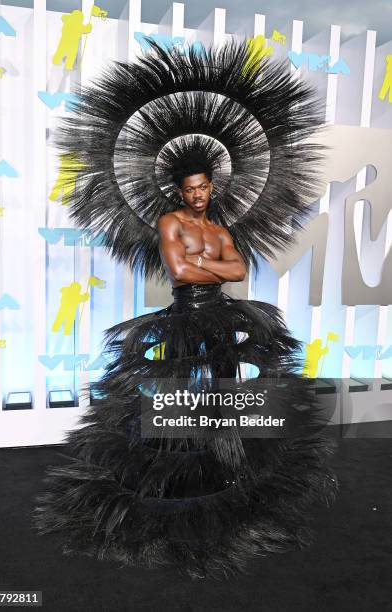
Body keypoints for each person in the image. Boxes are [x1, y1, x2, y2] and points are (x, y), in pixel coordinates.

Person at [33, 40, 338, 579]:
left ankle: (229, 466)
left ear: (213, 187)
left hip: (224, 314)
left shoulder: (218, 228)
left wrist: (215, 267)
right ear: (179, 189)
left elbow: (238, 272)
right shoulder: (171, 224)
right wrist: (214, 267)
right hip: (184, 313)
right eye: (191, 189)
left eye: (205, 188)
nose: (199, 196)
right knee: (170, 391)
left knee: (229, 389)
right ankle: (174, 470)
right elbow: (182, 271)